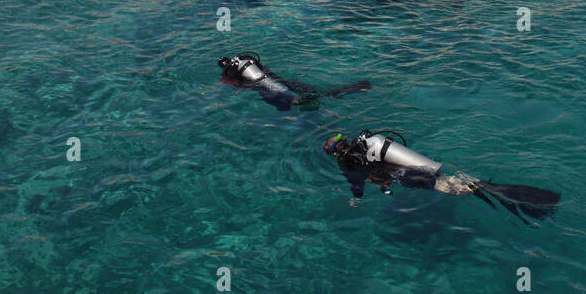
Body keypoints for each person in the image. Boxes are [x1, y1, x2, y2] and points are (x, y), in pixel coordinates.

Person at [324, 130, 561, 225]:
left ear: (336, 153)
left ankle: (518, 197)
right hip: (414, 169)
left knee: (459, 189)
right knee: (454, 182)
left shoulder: (348, 162)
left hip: (409, 176)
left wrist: (356, 200)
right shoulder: (363, 146)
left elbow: (357, 184)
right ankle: (484, 186)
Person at [217, 52, 370, 111]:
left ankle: (306, 102)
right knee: (317, 91)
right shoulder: (246, 59)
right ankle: (356, 88)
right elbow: (264, 68)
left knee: (292, 103)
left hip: (264, 88)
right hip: (281, 79)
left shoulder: (228, 73)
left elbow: (242, 86)